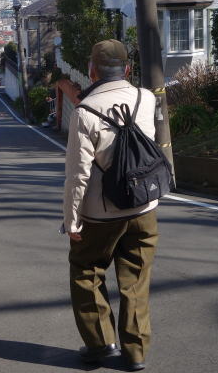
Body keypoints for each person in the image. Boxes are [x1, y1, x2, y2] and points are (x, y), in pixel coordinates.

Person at [62, 39, 159, 371]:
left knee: (86, 270)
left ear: (91, 70)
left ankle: (101, 343)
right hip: (144, 206)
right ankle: (135, 352)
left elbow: (77, 174)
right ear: (127, 69)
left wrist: (72, 221)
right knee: (135, 280)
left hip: (100, 213)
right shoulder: (145, 98)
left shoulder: (84, 111)